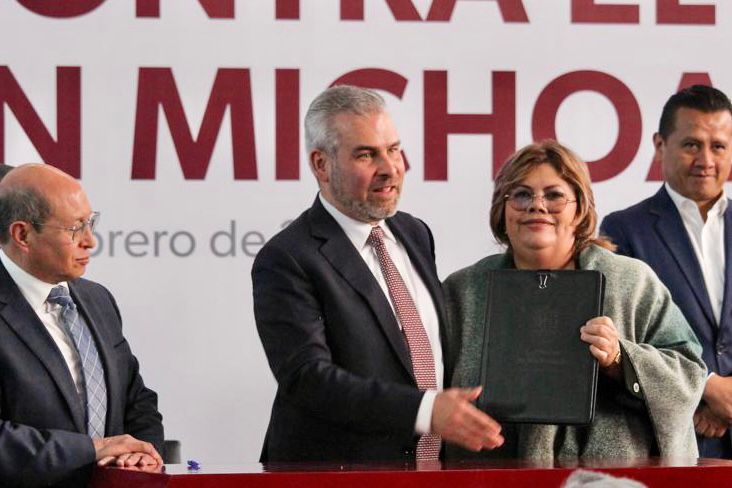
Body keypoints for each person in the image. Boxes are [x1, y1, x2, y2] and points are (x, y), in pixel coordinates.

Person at [252, 85, 503, 463]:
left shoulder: (414, 232)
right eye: (366, 155)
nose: (390, 168)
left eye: (394, 150)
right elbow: (307, 379)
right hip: (336, 473)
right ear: (321, 164)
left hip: (429, 467)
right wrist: (425, 410)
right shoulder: (288, 257)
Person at [443, 140, 706, 460]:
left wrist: (620, 359)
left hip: (610, 477)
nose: (537, 206)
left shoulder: (632, 282)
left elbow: (689, 374)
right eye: (522, 195)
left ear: (580, 209)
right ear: (502, 209)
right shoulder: (463, 291)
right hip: (489, 475)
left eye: (554, 195)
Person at [0, 164, 164, 487]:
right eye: (75, 228)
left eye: (90, 223)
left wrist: (140, 454)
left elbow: (137, 400)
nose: (90, 241)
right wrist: (91, 450)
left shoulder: (97, 299)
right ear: (23, 235)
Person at [601, 85, 732, 458]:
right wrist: (706, 388)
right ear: (660, 145)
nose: (706, 159)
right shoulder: (624, 230)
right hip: (676, 437)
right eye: (692, 145)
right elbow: (622, 337)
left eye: (718, 146)